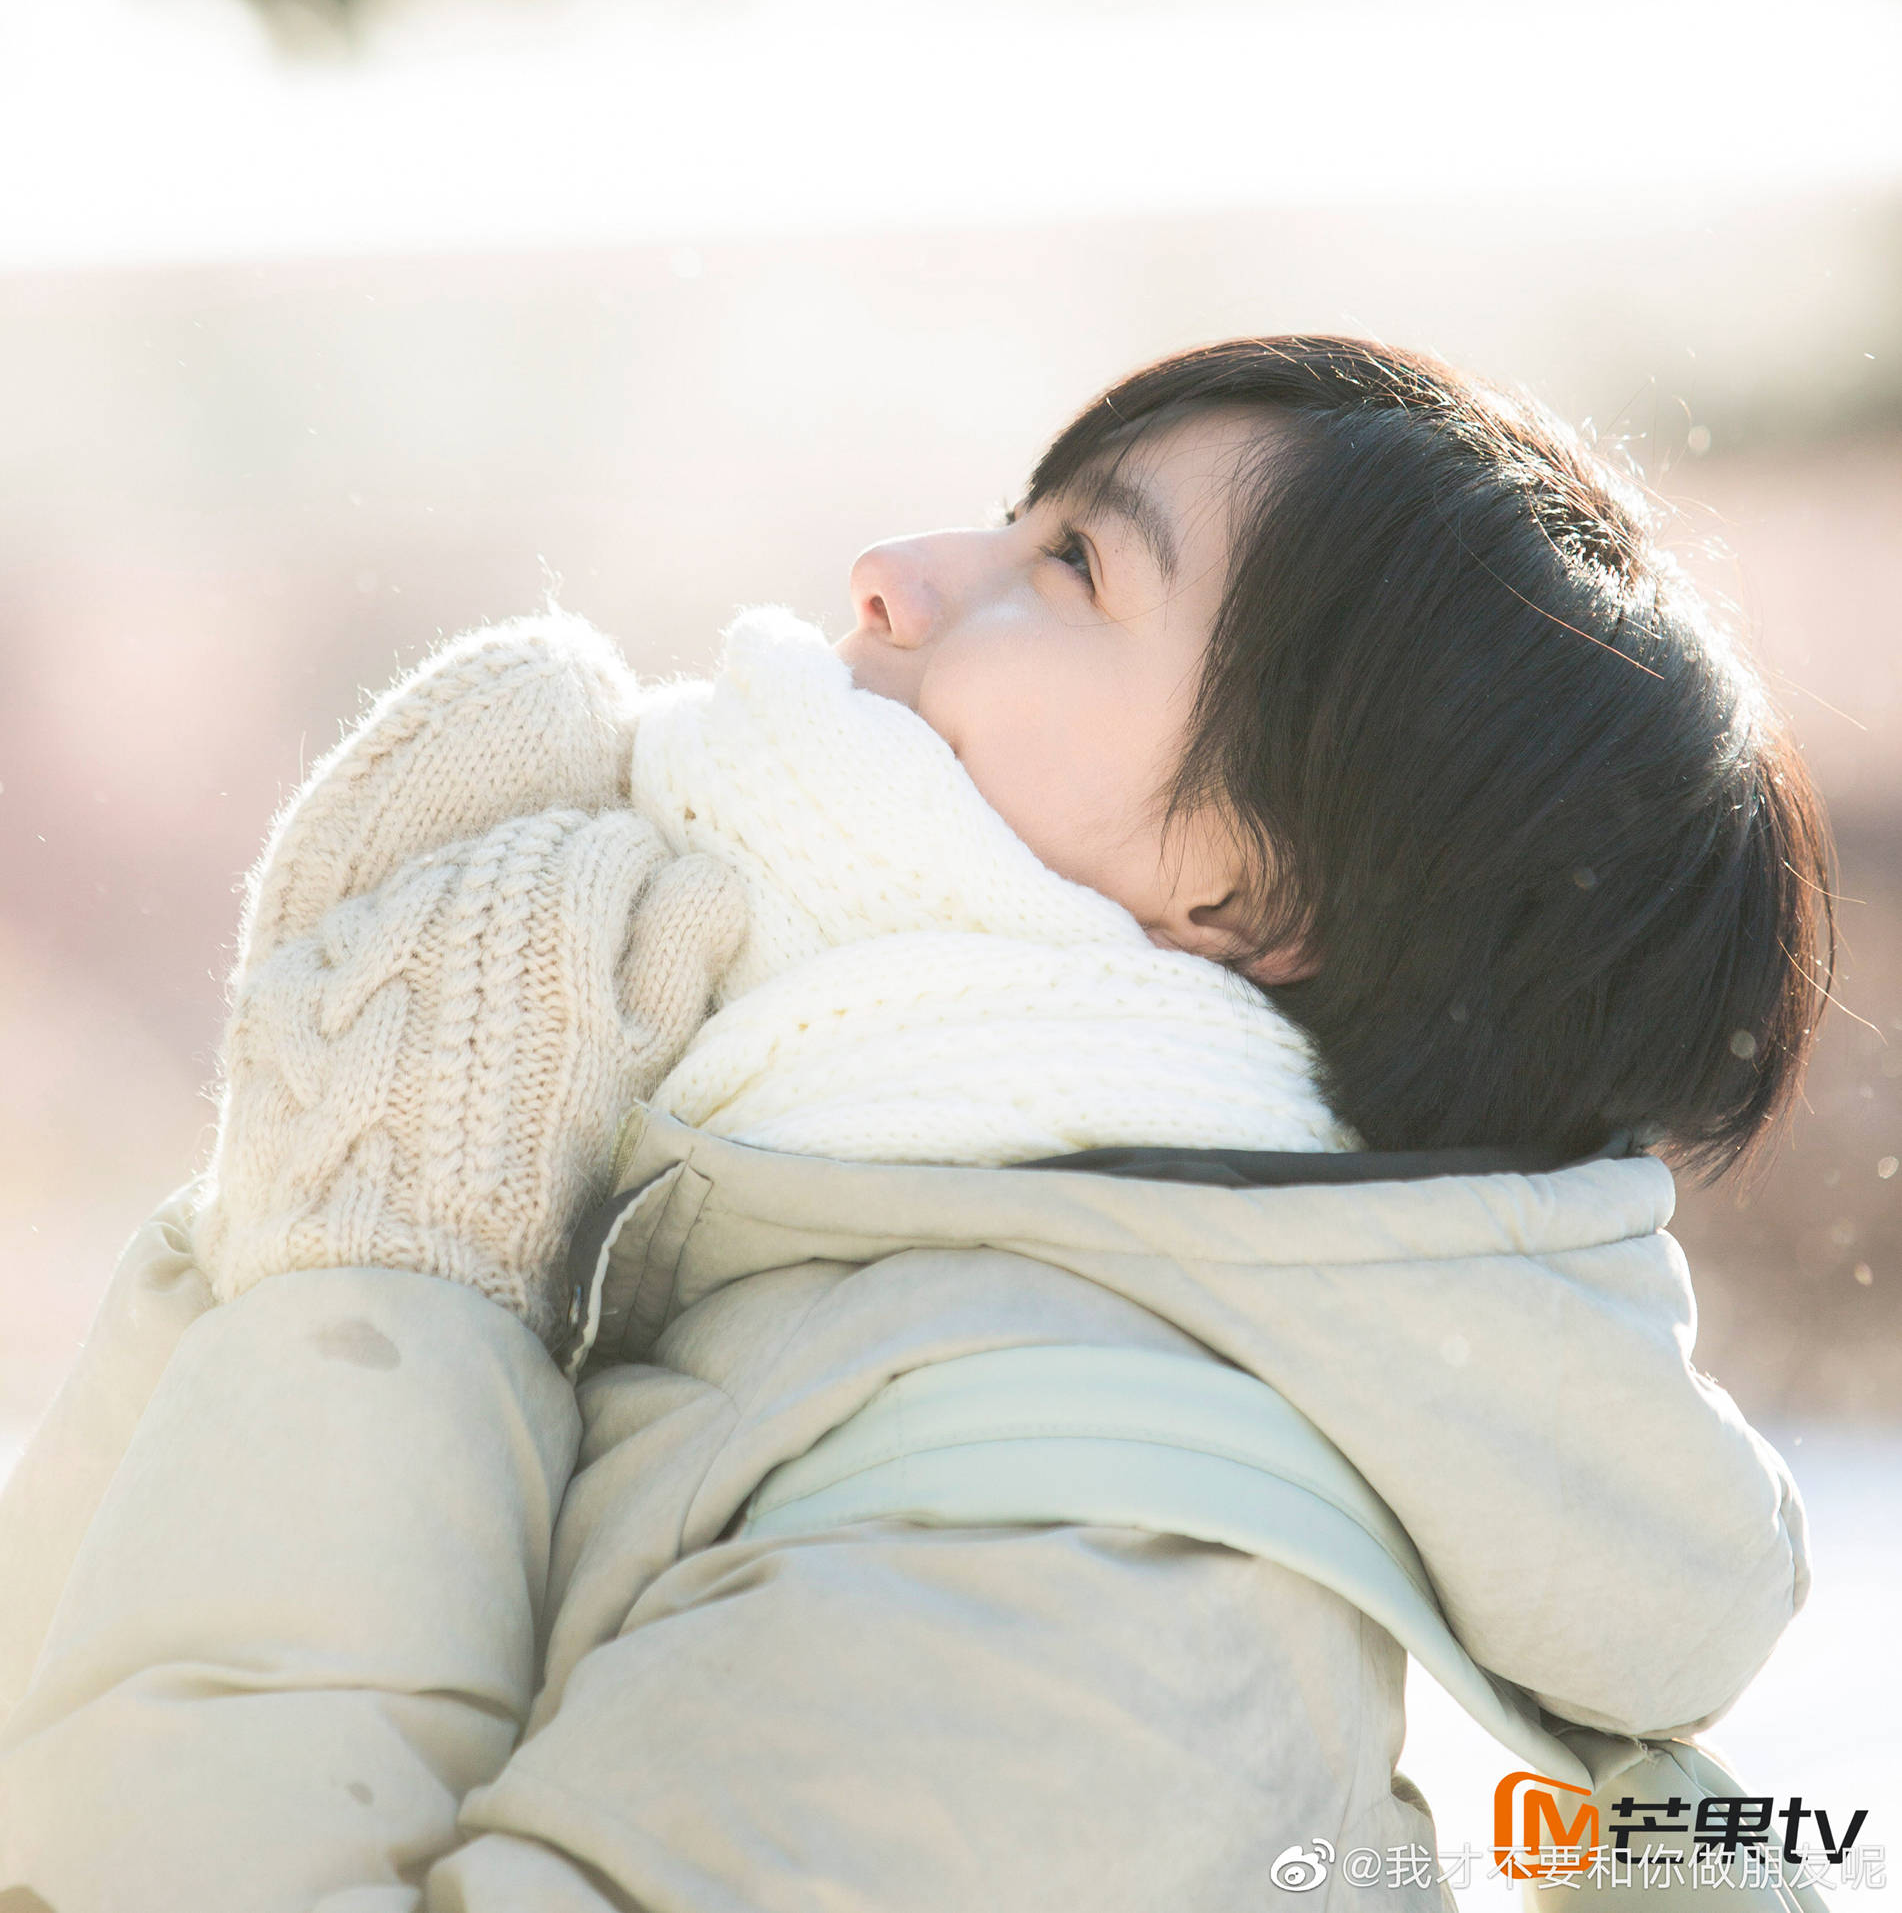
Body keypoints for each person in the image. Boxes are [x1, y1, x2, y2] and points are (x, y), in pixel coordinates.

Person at [0, 336, 1830, 1912]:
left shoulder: (1082, 1604)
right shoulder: (808, 1267)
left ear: (1260, 899)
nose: (891, 572)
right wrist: (289, 1227)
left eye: (1077, 568)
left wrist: (385, 1272)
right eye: (1015, 515)